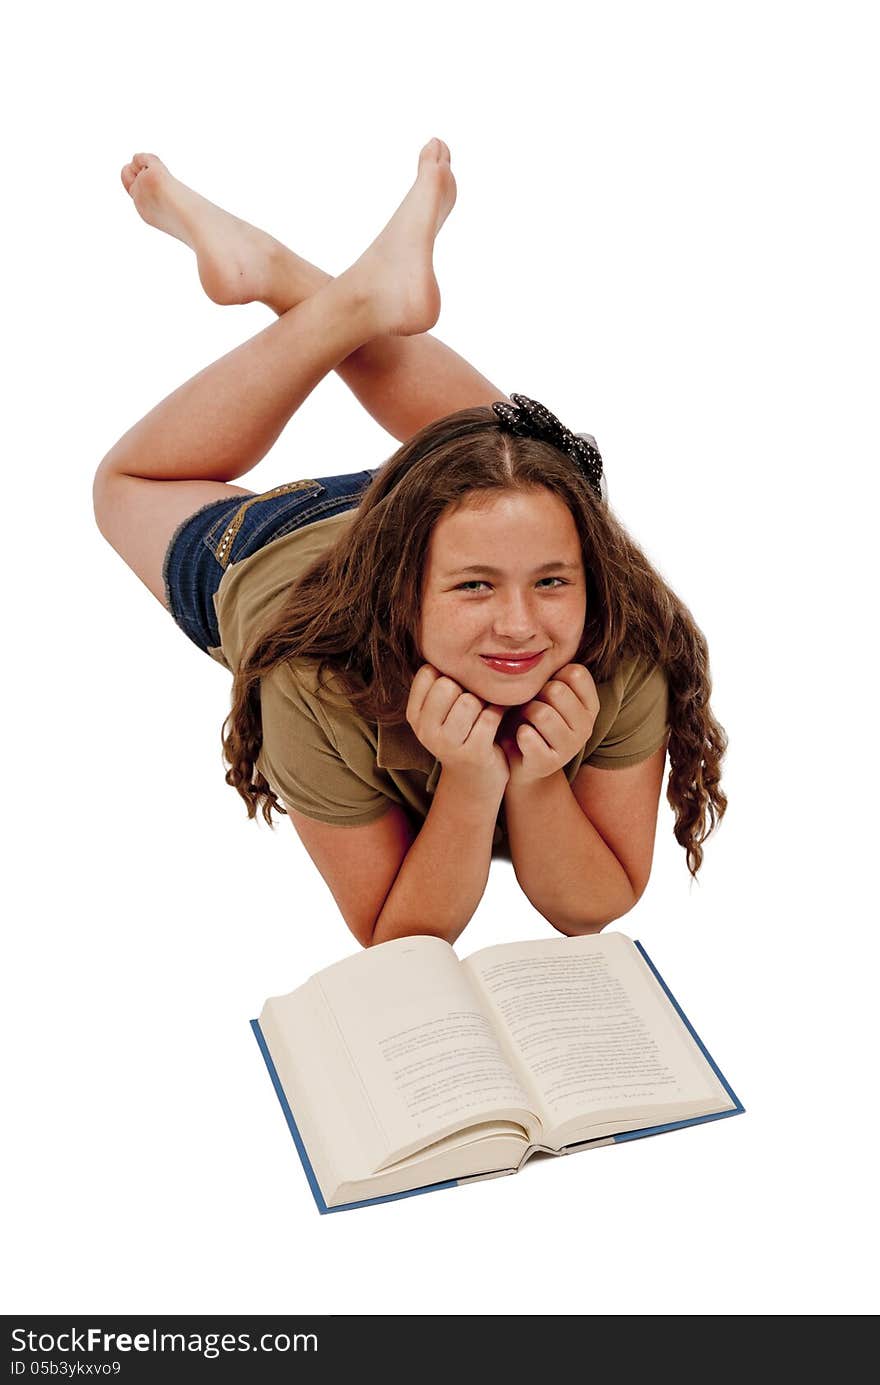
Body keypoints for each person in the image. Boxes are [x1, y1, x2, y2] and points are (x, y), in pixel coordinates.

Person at [93, 138, 728, 951]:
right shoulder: (311, 678)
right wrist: (468, 784)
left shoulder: (621, 637)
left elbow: (592, 904)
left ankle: (309, 284)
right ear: (403, 589)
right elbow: (397, 937)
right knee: (121, 485)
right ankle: (320, 290)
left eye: (552, 584)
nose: (520, 626)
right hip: (274, 541)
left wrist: (533, 780)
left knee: (544, 463)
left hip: (462, 512)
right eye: (474, 591)